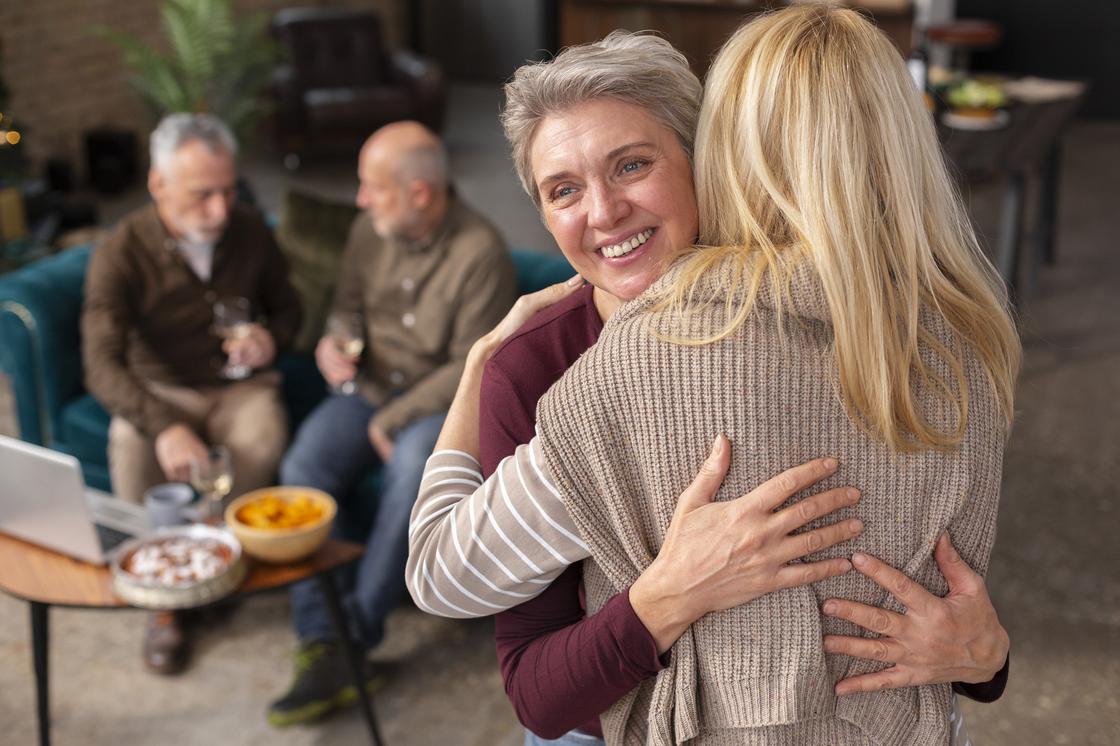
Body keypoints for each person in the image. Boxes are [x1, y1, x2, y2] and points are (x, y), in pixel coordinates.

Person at [408, 9, 1019, 746]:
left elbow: (945, 602)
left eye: (632, 165)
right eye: (563, 190)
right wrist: (666, 598)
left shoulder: (660, 365)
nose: (605, 212)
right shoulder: (535, 366)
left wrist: (986, 654)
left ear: (708, 157)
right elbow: (537, 691)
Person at [268, 120, 518, 727]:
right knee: (303, 462)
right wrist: (333, 342)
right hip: (371, 389)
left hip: (437, 407)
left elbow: (472, 366)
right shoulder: (368, 232)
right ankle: (320, 633)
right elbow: (345, 308)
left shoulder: (481, 253)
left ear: (419, 194)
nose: (360, 200)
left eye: (372, 187)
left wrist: (394, 420)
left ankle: (354, 637)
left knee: (412, 471)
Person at [82, 113, 301, 675]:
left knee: (262, 434)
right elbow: (100, 363)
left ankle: (220, 566)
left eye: (228, 191)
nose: (221, 210)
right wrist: (164, 425)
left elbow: (288, 309)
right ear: (158, 184)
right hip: (162, 388)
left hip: (239, 387)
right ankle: (163, 599)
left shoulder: (250, 229)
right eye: (202, 195)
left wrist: (270, 339)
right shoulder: (120, 251)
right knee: (131, 442)